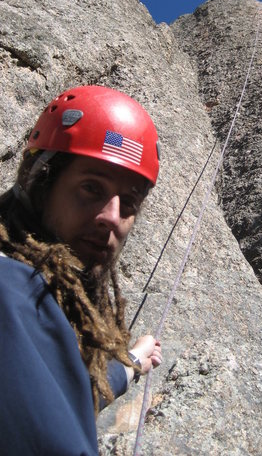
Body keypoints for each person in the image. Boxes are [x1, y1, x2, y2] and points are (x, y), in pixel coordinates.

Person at [0, 85, 163, 456]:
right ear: (40, 182)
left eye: (129, 203)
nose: (112, 218)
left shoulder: (34, 300)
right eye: (92, 187)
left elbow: (57, 396)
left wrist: (131, 363)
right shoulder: (10, 292)